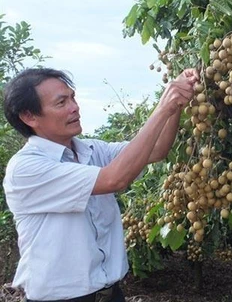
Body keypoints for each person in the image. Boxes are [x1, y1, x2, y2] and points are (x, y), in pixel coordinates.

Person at [2, 67, 199, 301]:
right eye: (61, 102)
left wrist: (175, 105)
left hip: (111, 294)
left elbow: (155, 150)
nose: (74, 107)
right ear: (29, 116)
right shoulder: (26, 169)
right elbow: (114, 179)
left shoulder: (93, 150)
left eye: (72, 97)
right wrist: (163, 106)